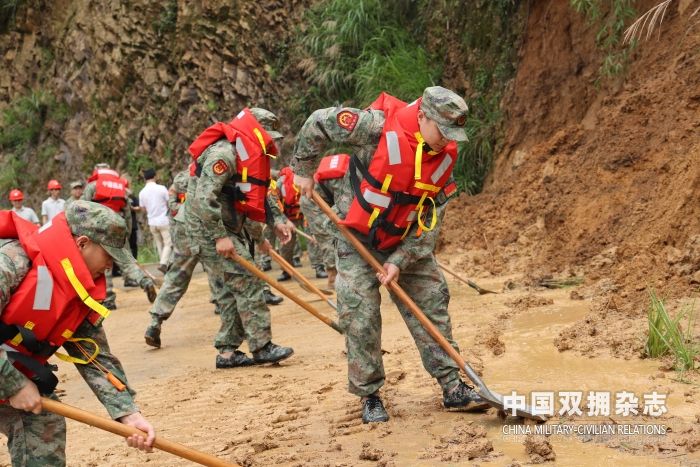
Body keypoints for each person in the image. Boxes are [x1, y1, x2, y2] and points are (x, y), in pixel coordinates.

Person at [291, 87, 489, 423]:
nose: (445, 139)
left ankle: (453, 387)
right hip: (358, 237)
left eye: (451, 134)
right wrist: (303, 169)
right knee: (359, 313)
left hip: (406, 239)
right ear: (423, 116)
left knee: (432, 304)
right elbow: (319, 122)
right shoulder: (375, 127)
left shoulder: (443, 157)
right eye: (441, 130)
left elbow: (431, 219)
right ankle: (369, 394)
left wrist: (401, 259)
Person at [0, 200, 155, 465]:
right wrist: (13, 384)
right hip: (7, 374)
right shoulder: (12, 262)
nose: (110, 266)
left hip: (11, 369)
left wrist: (128, 413)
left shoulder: (77, 293)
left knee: (44, 428)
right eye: (109, 256)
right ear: (83, 243)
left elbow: (94, 357)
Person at [185, 107, 295, 368]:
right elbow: (204, 198)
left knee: (236, 287)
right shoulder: (224, 154)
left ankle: (227, 352)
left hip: (229, 226)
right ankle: (262, 346)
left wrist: (274, 224)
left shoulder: (249, 155)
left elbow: (254, 197)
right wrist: (218, 238)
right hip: (209, 228)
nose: (272, 144)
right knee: (247, 280)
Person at [82, 164, 157, 309]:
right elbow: (128, 213)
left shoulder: (92, 186)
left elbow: (84, 207)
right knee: (126, 261)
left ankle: (109, 298)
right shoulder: (122, 187)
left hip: (100, 227)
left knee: (103, 262)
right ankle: (145, 281)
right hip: (118, 225)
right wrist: (127, 234)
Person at [138, 168, 172, 274]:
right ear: (155, 176)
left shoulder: (142, 192)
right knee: (169, 243)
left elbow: (143, 208)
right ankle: (163, 263)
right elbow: (169, 202)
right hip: (163, 220)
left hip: (152, 221)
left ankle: (164, 265)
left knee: (159, 244)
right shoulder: (161, 188)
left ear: (144, 179)